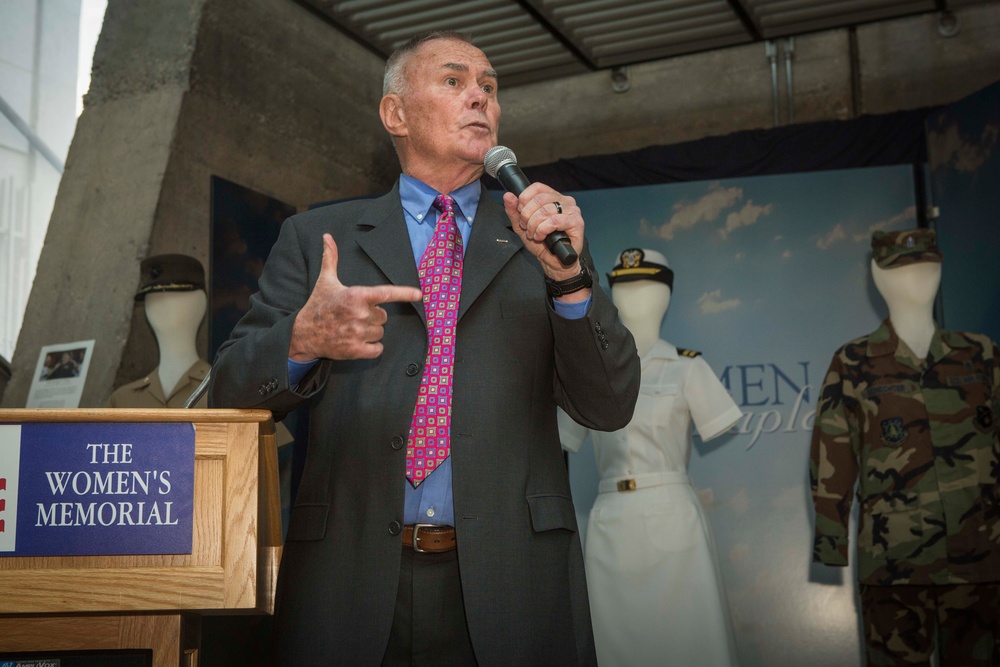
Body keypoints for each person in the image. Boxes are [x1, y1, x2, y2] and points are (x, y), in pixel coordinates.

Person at [208, 30, 640, 666]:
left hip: (511, 585)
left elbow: (608, 405)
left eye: (489, 88)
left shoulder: (538, 240)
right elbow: (230, 391)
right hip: (347, 585)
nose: (480, 99)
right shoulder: (317, 238)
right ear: (395, 114)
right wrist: (304, 339)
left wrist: (568, 281)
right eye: (454, 81)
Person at [810, 229, 999, 666]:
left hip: (981, 559)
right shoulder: (853, 361)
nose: (917, 280)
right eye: (901, 269)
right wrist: (831, 541)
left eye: (927, 267)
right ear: (878, 274)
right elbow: (832, 455)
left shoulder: (980, 356)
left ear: (940, 269)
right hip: (894, 562)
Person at [560, 248, 742, 667]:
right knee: (613, 643)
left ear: (666, 295)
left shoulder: (688, 368)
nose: (634, 298)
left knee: (690, 641)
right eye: (623, 287)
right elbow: (566, 436)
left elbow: (718, 420)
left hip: (673, 517)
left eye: (646, 286)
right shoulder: (590, 372)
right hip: (611, 522)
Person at [107, 254, 212, 408]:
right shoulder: (122, 401)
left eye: (173, 296)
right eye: (152, 298)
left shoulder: (221, 393)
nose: (159, 305)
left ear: (200, 304)